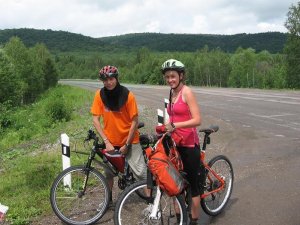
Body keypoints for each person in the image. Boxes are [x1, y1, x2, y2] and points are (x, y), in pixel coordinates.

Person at [90, 65, 147, 203]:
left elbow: (134, 121)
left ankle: (151, 201)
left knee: (141, 173)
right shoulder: (100, 95)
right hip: (110, 141)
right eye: (105, 80)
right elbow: (95, 119)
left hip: (130, 140)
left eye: (111, 79)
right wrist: (106, 141)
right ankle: (108, 202)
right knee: (108, 173)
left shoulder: (128, 96)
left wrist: (127, 144)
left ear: (116, 78)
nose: (108, 82)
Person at [161, 59, 203, 225]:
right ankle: (180, 219)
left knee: (193, 185)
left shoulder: (187, 92)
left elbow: (197, 120)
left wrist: (175, 125)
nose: (170, 79)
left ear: (181, 75)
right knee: (175, 183)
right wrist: (166, 127)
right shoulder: (172, 92)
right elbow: (173, 116)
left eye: (173, 76)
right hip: (175, 143)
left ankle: (193, 221)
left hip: (189, 144)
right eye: (167, 77)